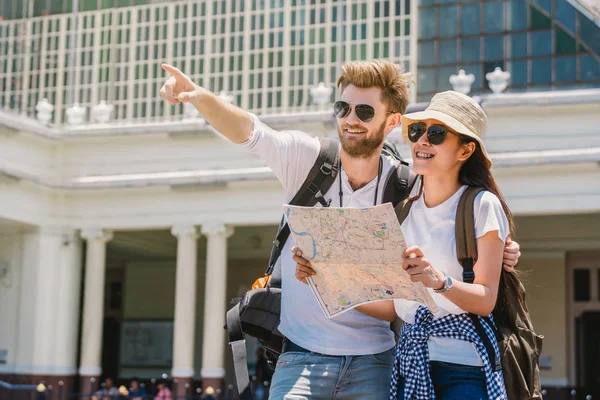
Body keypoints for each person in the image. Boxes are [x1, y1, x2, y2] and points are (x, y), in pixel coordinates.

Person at [159, 60, 521, 400]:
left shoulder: (408, 187)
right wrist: (200, 97)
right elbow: (251, 132)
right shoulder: (307, 159)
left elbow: (451, 222)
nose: (350, 119)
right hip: (299, 358)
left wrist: (500, 249)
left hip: (376, 362)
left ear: (392, 121)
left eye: (364, 111)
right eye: (342, 108)